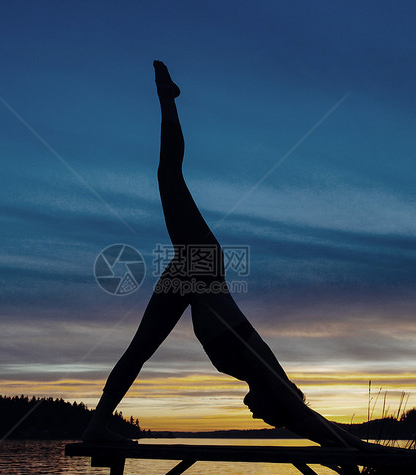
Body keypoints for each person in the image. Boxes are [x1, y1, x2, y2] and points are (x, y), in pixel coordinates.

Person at [83, 61, 377, 450]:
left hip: (193, 279)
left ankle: (96, 427)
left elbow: (305, 423)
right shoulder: (269, 377)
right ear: (280, 402)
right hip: (202, 262)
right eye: (268, 417)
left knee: (138, 350)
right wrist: (372, 451)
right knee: (169, 176)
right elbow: (308, 420)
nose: (257, 416)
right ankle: (167, 98)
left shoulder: (256, 376)